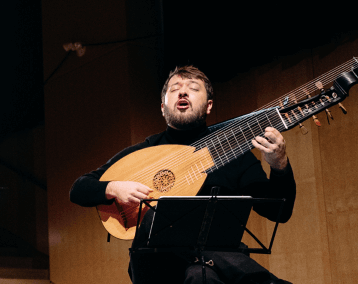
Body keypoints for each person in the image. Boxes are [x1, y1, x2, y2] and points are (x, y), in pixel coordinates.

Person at [69, 66, 296, 284]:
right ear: (162, 107)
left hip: (212, 270)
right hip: (156, 267)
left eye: (194, 88)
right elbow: (79, 188)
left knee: (199, 275)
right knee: (155, 218)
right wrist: (113, 188)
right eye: (174, 88)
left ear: (208, 106)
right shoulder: (145, 152)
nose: (184, 91)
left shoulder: (234, 154)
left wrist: (279, 165)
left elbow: (279, 212)